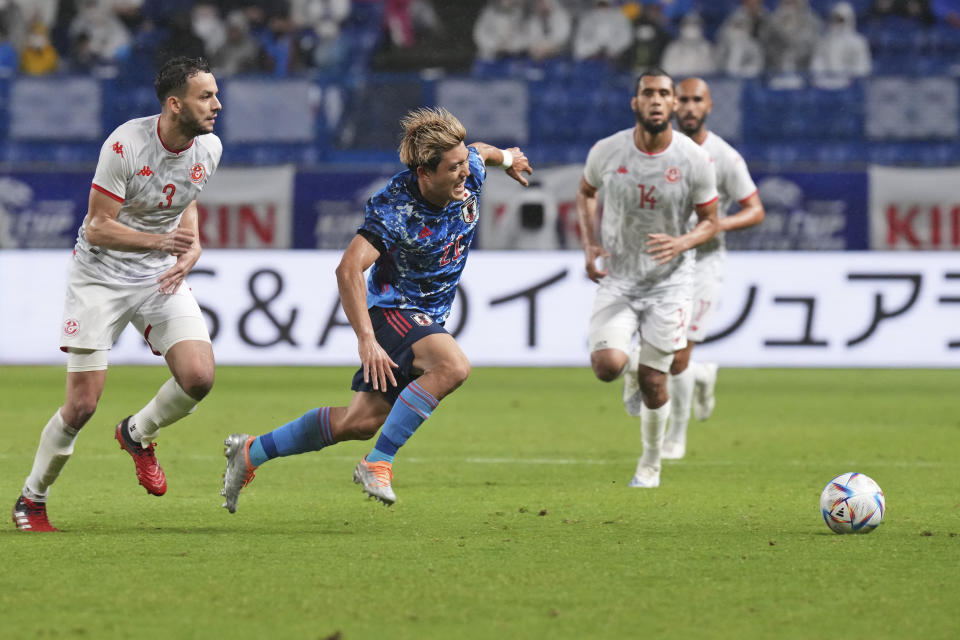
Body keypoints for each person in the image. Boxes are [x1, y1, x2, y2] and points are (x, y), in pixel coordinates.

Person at [220, 107, 532, 512]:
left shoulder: (468, 168)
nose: (464, 174)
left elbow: (480, 151)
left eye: (463, 165)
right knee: (452, 366)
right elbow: (348, 268)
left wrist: (508, 158)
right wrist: (366, 340)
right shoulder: (395, 207)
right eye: (453, 168)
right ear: (424, 172)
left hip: (427, 317)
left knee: (360, 423)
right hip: (391, 311)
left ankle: (251, 452)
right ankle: (378, 463)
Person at [11, 57, 223, 532]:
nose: (217, 104)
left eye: (214, 94)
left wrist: (192, 245)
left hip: (158, 277)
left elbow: (184, 201)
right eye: (205, 96)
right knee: (83, 404)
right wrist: (162, 243)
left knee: (199, 377)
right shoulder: (125, 144)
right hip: (99, 276)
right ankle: (32, 498)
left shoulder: (208, 148)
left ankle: (137, 433)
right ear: (174, 104)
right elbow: (98, 226)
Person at [576, 69, 719, 489]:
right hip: (620, 277)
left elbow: (711, 221)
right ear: (634, 103)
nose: (656, 100)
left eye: (664, 94)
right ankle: (630, 368)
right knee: (606, 367)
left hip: (670, 282)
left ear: (674, 103)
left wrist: (682, 242)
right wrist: (589, 244)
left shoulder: (694, 159)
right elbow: (585, 192)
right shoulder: (607, 151)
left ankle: (650, 465)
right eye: (647, 93)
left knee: (657, 380)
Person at [662, 77, 765, 461]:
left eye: (696, 100)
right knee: (653, 354)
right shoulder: (656, 151)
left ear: (709, 106)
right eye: (682, 100)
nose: (689, 107)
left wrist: (717, 223)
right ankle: (703, 375)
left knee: (678, 355)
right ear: (672, 105)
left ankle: (676, 436)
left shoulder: (723, 156)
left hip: (703, 262)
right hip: (661, 264)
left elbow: (755, 209)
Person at [811, 2, 872, 81]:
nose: (837, 22)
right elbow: (817, 64)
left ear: (849, 19)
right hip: (826, 83)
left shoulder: (858, 42)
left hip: (850, 84)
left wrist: (846, 74)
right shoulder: (824, 41)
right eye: (835, 19)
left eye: (841, 20)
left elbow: (863, 67)